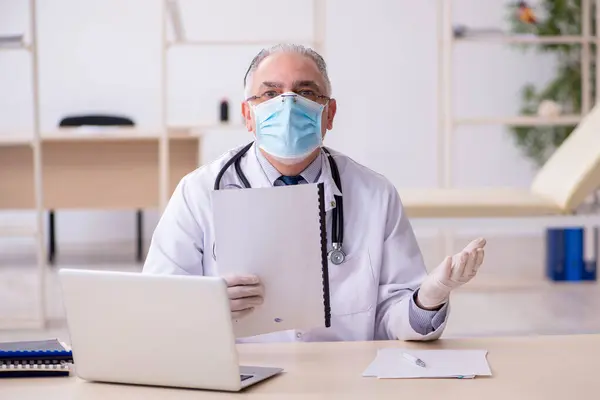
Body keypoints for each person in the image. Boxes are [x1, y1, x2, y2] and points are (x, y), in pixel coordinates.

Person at [143, 43, 486, 342]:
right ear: (249, 114)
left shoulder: (375, 194)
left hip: (346, 380)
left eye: (306, 92)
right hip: (240, 378)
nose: (288, 106)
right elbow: (158, 306)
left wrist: (430, 296)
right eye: (271, 93)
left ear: (329, 113)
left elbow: (393, 321)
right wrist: (206, 305)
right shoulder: (198, 193)